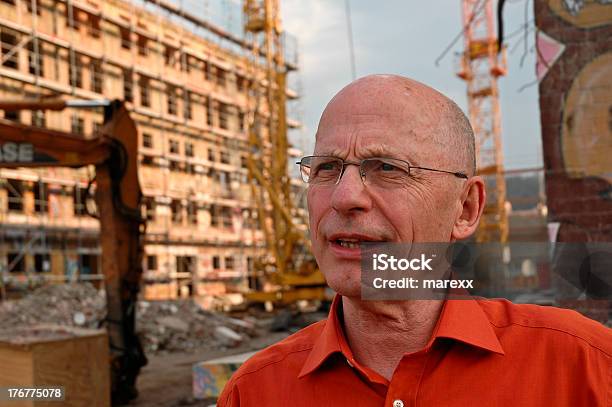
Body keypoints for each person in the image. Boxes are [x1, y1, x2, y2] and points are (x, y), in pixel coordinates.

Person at [218, 75, 611, 406]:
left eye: (387, 167)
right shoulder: (254, 392)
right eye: (327, 168)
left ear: (466, 209)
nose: (344, 196)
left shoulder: (583, 367)